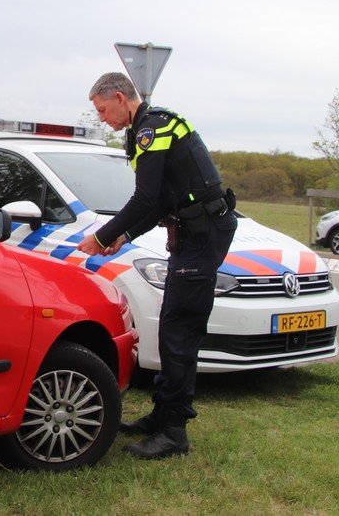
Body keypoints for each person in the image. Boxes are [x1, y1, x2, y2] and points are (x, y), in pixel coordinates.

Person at [76, 72, 236, 460]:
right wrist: (125, 237)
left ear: (119, 97)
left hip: (202, 235)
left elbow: (145, 198)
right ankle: (163, 414)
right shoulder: (144, 130)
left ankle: (174, 433)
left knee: (180, 332)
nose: (101, 119)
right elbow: (163, 202)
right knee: (172, 329)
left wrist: (101, 235)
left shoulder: (154, 127)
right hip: (192, 233)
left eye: (102, 110)